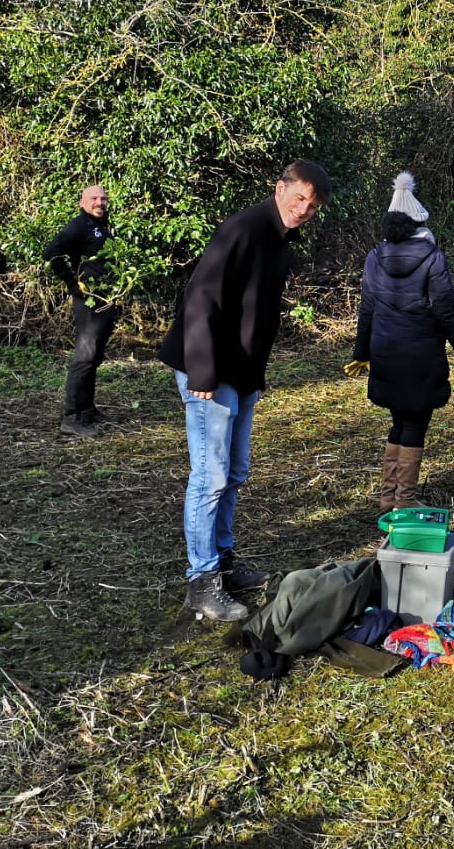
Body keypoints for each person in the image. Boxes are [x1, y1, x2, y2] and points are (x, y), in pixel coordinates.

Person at [158, 161, 332, 622]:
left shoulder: (279, 237)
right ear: (280, 189)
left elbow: (254, 314)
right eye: (299, 199)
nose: (303, 210)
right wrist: (201, 375)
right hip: (209, 373)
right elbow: (201, 300)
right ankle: (202, 582)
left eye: (312, 207)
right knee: (210, 476)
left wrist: (254, 375)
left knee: (234, 472)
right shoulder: (244, 229)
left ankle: (225, 563)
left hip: (242, 373)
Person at [346, 173, 454, 512]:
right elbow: (446, 312)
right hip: (420, 357)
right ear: (419, 222)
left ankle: (388, 494)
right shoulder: (433, 258)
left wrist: (361, 353)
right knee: (415, 425)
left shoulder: (375, 257)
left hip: (386, 354)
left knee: (399, 422)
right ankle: (403, 500)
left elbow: (367, 309)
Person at [43, 184, 120, 438]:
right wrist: (72, 283)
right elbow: (51, 253)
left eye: (103, 198)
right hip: (89, 303)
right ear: (82, 203)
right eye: (94, 198)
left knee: (95, 356)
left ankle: (87, 409)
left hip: (106, 301)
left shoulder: (102, 226)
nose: (100, 202)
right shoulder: (78, 226)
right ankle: (71, 417)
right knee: (84, 357)